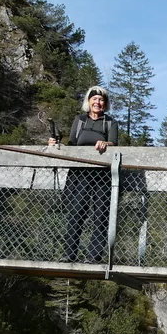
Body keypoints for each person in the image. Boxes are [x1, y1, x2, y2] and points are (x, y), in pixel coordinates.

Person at [48, 86, 118, 263]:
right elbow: (72, 144)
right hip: (79, 173)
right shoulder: (79, 120)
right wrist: (54, 144)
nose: (97, 102)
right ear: (88, 102)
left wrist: (106, 144)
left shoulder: (110, 122)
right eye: (94, 99)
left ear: (105, 104)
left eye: (101, 100)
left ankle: (93, 257)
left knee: (100, 213)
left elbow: (115, 144)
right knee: (76, 212)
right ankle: (69, 254)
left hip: (102, 174)